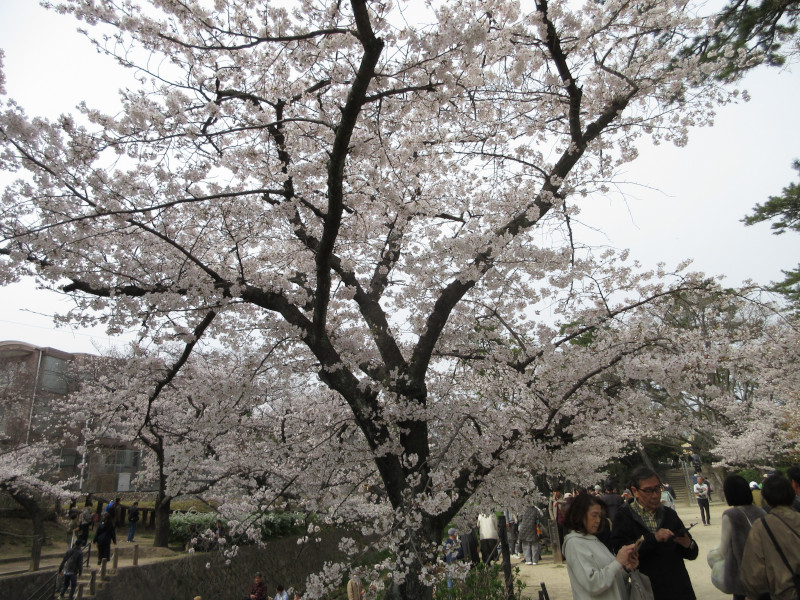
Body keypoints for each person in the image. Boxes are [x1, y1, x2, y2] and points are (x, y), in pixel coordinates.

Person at [611, 467, 698, 600]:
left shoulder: (670, 514)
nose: (656, 495)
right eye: (649, 490)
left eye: (658, 488)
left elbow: (692, 553)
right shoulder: (623, 517)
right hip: (647, 590)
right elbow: (621, 552)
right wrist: (653, 538)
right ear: (635, 491)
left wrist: (688, 544)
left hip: (679, 590)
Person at [563, 494, 639, 600]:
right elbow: (593, 584)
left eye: (600, 516)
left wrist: (626, 569)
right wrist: (618, 562)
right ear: (580, 515)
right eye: (594, 515)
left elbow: (610, 578)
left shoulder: (594, 541)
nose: (598, 520)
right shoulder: (575, 543)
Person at [741, 474, 800, 600]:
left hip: (785, 593)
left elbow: (753, 572)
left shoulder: (762, 526)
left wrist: (751, 594)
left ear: (766, 499)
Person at [717, 474, 766, 600]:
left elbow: (723, 550)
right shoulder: (761, 512)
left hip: (743, 582)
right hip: (765, 578)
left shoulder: (731, 515)